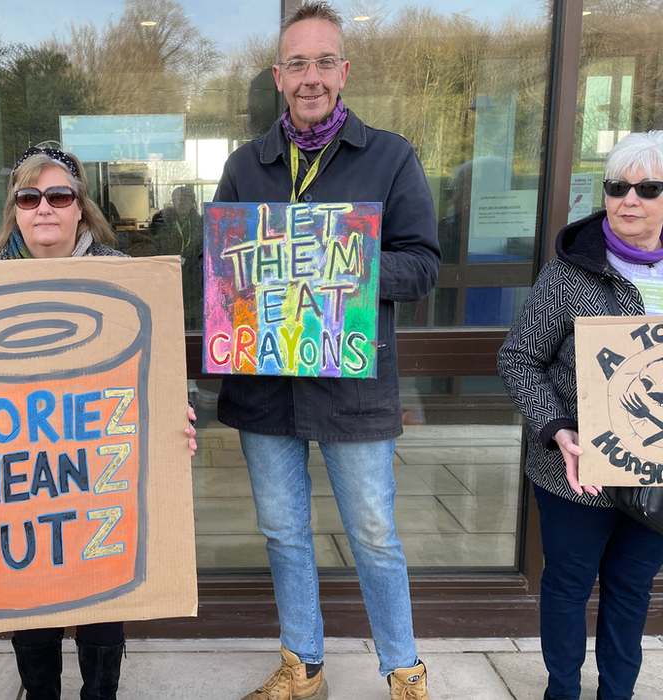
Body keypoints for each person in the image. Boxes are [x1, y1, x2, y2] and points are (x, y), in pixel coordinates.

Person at [0, 146, 197, 700]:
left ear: (80, 207)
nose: (44, 209)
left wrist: (174, 411)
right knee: (29, 576)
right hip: (23, 476)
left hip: (96, 468)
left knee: (106, 583)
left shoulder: (122, 276)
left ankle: (100, 692)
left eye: (59, 196)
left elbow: (159, 369)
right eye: (29, 197)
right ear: (14, 209)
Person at [212, 4, 441, 700]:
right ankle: (302, 664)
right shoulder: (245, 166)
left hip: (353, 389)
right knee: (284, 534)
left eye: (324, 62)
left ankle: (404, 670)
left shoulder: (391, 157)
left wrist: (340, 265)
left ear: (344, 71)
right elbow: (218, 270)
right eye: (297, 65)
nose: (311, 78)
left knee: (373, 533)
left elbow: (423, 266)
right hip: (266, 389)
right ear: (278, 77)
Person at [498, 131, 663, 700]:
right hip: (577, 468)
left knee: (631, 588)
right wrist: (556, 430)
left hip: (656, 470)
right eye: (617, 187)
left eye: (648, 187)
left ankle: (617, 693)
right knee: (567, 586)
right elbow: (518, 358)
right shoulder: (568, 273)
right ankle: (561, 690)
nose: (629, 199)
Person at [149, 185, 204, 328]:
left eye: (185, 200)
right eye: (177, 200)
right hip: (168, 274)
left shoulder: (201, 223)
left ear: (192, 202)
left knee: (192, 322)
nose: (181, 203)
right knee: (170, 320)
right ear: (173, 201)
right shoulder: (163, 220)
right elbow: (155, 245)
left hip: (193, 277)